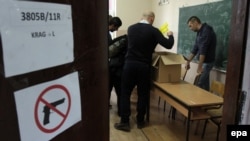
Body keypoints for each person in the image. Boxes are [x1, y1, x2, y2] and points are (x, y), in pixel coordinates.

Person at [114, 11, 174, 132]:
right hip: (144, 67)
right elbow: (168, 45)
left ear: (142, 18)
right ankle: (140, 120)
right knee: (143, 94)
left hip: (129, 65)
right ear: (151, 19)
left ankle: (125, 122)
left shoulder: (131, 28)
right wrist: (170, 35)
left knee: (125, 93)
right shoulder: (154, 31)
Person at [185, 16, 217, 91]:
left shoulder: (206, 31)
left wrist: (199, 67)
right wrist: (188, 61)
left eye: (190, 26)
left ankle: (197, 102)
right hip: (204, 62)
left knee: (199, 83)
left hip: (208, 62)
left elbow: (203, 50)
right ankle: (208, 100)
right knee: (205, 86)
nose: (190, 29)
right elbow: (195, 48)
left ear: (195, 22)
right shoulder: (199, 32)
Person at [108, 17, 122, 108]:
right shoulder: (106, 34)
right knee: (114, 87)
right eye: (116, 27)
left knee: (108, 87)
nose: (117, 29)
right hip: (110, 65)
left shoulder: (106, 33)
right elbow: (109, 49)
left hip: (109, 64)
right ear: (113, 25)